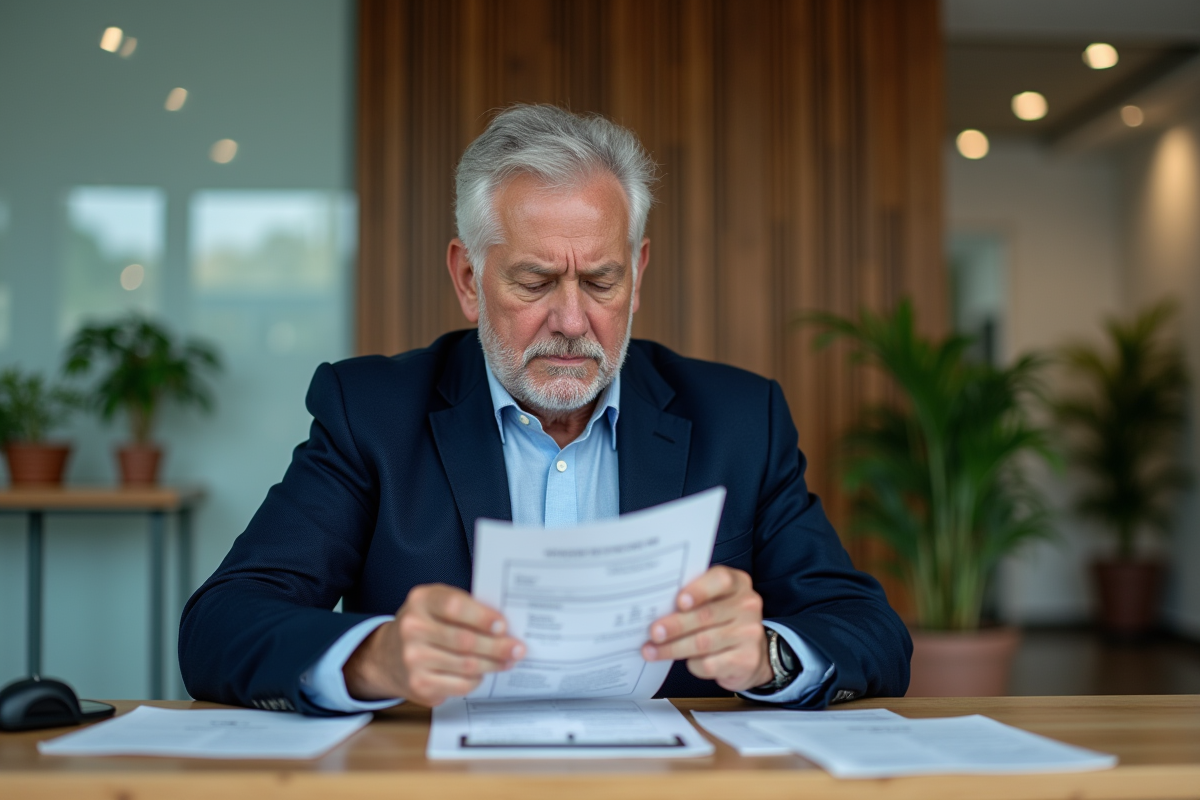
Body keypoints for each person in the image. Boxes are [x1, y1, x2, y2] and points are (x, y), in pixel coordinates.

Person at [179, 104, 910, 715]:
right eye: (534, 282)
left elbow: (869, 633)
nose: (570, 320)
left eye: (600, 281)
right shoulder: (371, 412)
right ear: (469, 277)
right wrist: (375, 659)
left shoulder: (743, 421)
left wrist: (767, 656)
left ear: (639, 271)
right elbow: (221, 624)